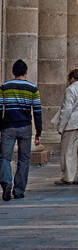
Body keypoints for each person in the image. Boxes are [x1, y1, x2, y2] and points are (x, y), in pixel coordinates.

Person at [0, 60, 42, 201]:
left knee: (5, 158)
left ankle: (6, 183)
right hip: (25, 127)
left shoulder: (5, 87)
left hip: (8, 126)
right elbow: (37, 111)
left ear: (13, 72)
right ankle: (19, 190)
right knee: (24, 159)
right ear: (26, 72)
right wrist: (39, 132)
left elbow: (0, 108)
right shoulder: (33, 88)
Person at [55, 69, 78, 186]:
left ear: (72, 78)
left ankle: (68, 177)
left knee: (69, 151)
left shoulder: (71, 89)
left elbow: (67, 109)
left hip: (73, 123)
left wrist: (61, 127)